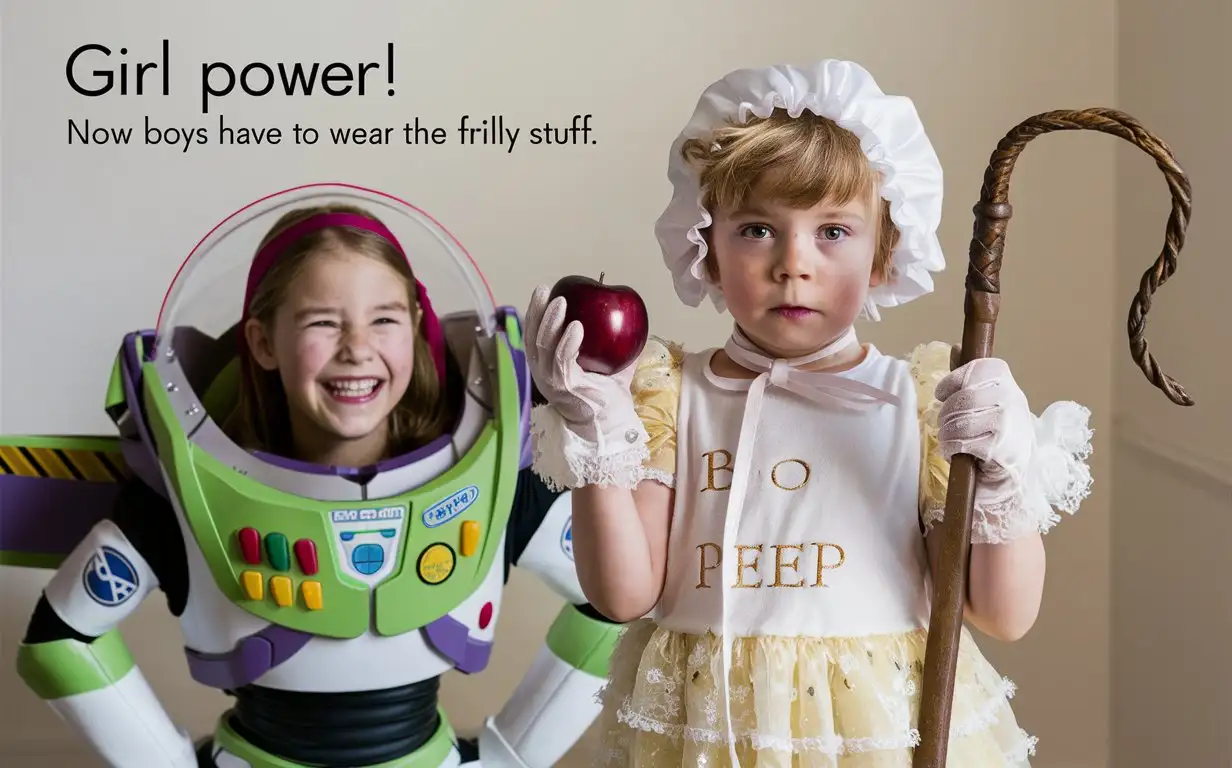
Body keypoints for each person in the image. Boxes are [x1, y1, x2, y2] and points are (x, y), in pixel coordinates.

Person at [523, 61, 1095, 766]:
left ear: (885, 254)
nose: (794, 263)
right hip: (709, 734)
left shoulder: (923, 403)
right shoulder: (669, 396)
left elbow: (1003, 614)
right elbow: (622, 595)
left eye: (833, 232)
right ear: (705, 248)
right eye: (758, 229)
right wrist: (598, 440)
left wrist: (1003, 473)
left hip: (880, 733)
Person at [13, 192, 623, 768]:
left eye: (383, 319)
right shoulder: (189, 490)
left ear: (415, 324)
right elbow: (60, 638)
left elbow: (613, 604)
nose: (356, 349)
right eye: (322, 323)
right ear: (262, 340)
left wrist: (510, 757)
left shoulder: (493, 481)